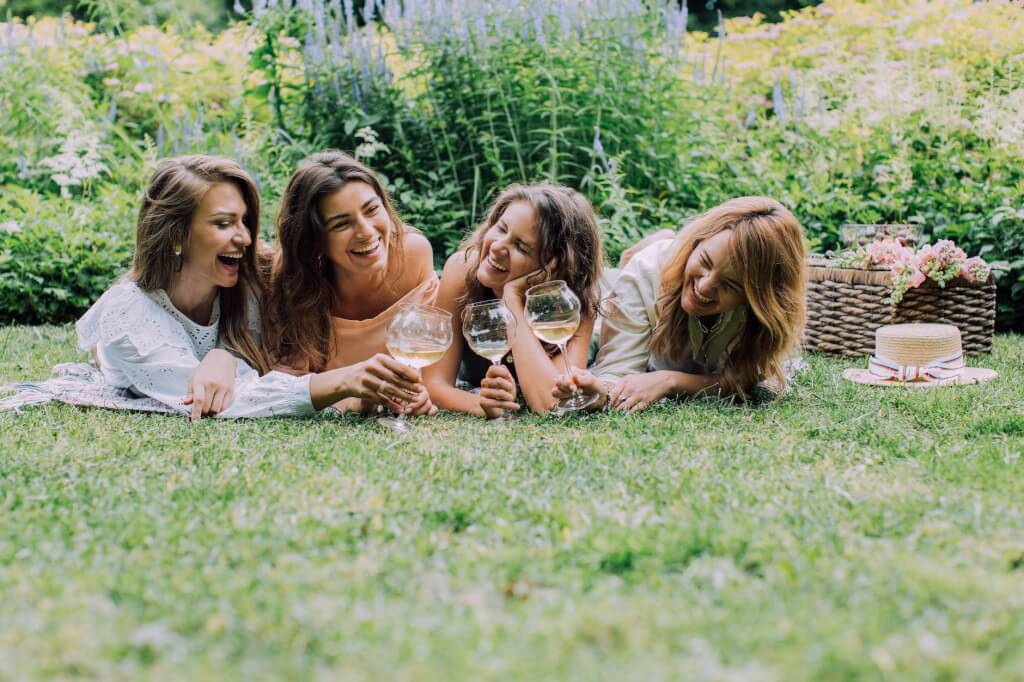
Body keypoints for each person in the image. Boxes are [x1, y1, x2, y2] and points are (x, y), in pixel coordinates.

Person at [69, 155, 422, 420]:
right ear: (176, 235)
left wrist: (224, 354)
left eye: (245, 222)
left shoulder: (248, 283)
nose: (245, 238)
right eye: (224, 223)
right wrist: (343, 381)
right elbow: (225, 400)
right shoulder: (128, 313)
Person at [553, 196, 806, 411]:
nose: (705, 287)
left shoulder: (763, 317)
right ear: (696, 242)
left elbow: (743, 379)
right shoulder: (645, 274)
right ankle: (652, 244)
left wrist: (670, 381)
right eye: (705, 261)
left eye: (731, 285)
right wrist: (600, 391)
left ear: (757, 298)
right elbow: (616, 373)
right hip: (608, 309)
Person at [263, 151, 439, 416]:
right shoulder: (294, 282)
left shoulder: (414, 255)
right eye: (342, 223)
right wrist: (356, 403)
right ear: (314, 240)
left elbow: (428, 364)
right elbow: (290, 387)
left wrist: (420, 395)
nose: (366, 231)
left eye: (372, 210)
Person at [423, 184, 604, 417]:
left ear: (553, 267)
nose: (497, 247)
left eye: (520, 246)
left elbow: (550, 402)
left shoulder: (577, 303)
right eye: (501, 228)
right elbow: (434, 384)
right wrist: (482, 406)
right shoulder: (462, 270)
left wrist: (512, 297)